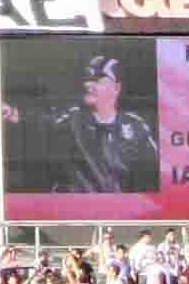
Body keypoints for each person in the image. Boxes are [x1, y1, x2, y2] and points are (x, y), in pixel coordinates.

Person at [30, 56, 160, 195]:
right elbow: (35, 120)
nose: (88, 84)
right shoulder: (72, 119)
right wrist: (13, 114)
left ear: (116, 88)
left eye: (97, 80)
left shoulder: (136, 126)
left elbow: (155, 175)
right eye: (87, 79)